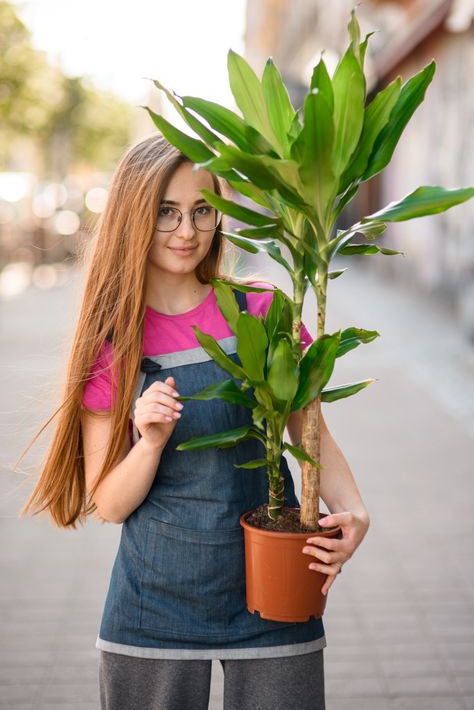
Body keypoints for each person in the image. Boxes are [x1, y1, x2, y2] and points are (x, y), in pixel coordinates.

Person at [18, 133, 370, 710]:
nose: (188, 231)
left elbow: (312, 436)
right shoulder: (114, 345)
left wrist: (354, 512)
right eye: (166, 212)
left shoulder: (263, 309)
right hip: (152, 608)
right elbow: (108, 503)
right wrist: (149, 443)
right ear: (134, 216)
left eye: (202, 210)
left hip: (276, 597)